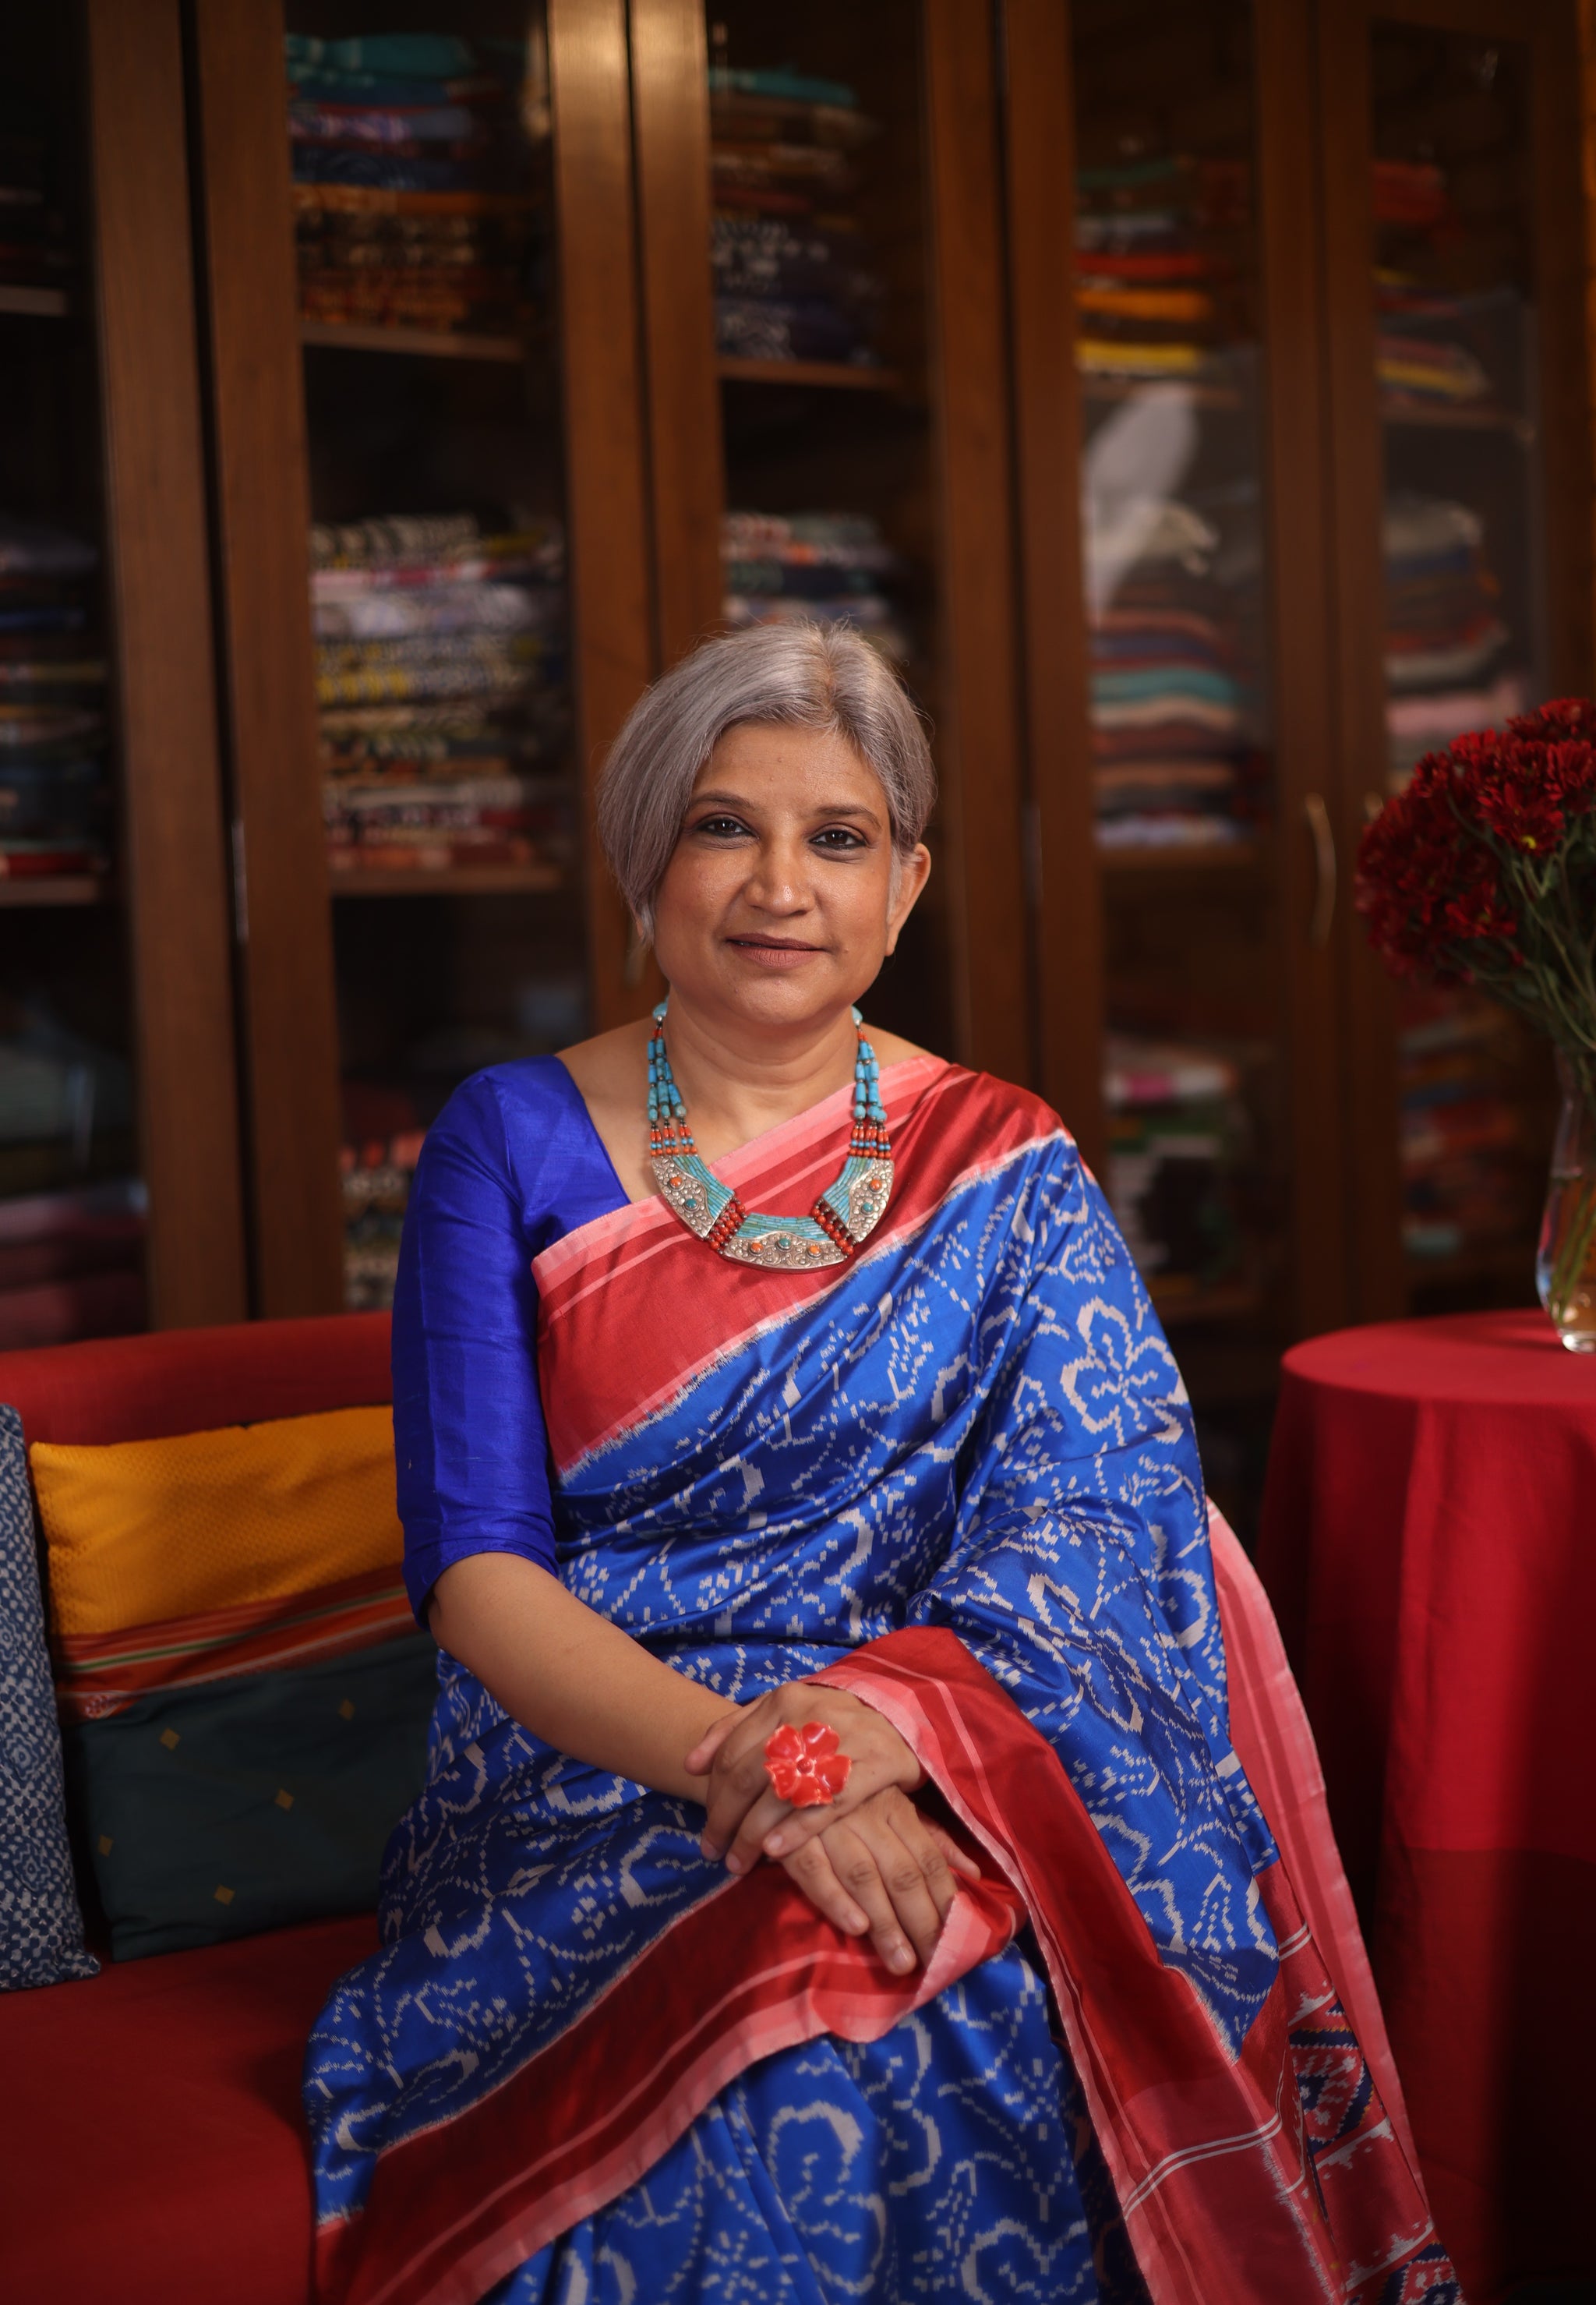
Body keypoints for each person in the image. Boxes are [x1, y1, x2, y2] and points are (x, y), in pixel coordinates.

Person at [304, 624, 1456, 2305]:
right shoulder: (508, 1136)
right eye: (724, 826)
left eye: (836, 837)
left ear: (904, 886)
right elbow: (478, 1571)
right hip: (604, 1766)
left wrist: (876, 1733)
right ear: (645, 860)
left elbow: (1098, 1524)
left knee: (961, 1979)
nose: (781, 884)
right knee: (788, 2036)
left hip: (929, 1752)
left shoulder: (1007, 1159)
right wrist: (758, 1763)